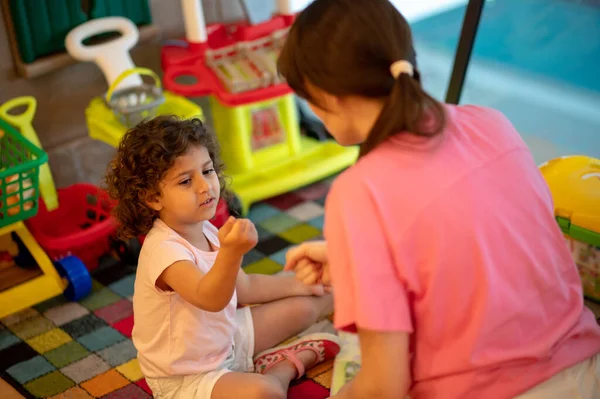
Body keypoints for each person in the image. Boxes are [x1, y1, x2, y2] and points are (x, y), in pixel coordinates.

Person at [279, 0, 600, 398]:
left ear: (325, 94)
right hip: (586, 368)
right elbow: (486, 247)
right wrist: (352, 259)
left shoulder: (359, 192)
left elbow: (384, 386)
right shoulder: (491, 123)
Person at [104, 116, 340, 399]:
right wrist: (231, 252)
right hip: (187, 376)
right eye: (185, 181)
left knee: (315, 300)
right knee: (265, 394)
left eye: (207, 171)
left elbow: (244, 288)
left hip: (226, 338)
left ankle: (348, 298)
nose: (205, 186)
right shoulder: (164, 252)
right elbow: (211, 298)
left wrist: (304, 285)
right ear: (153, 198)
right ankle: (284, 367)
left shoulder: (204, 228)